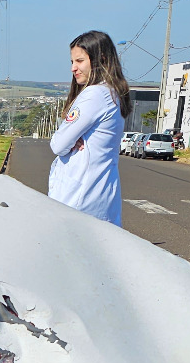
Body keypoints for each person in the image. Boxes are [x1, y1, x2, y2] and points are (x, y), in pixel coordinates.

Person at [48, 29, 130, 226]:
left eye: (79, 61)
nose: (73, 68)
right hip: (100, 196)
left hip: (78, 199)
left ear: (100, 59)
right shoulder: (113, 94)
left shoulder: (94, 95)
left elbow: (58, 145)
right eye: (72, 62)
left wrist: (69, 136)